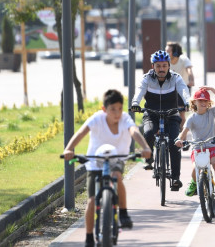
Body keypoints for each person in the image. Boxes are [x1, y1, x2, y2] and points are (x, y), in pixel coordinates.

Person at [63, 89, 152, 247]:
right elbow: (81, 133)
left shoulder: (125, 119)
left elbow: (134, 132)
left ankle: (123, 212)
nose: (117, 113)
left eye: (119, 108)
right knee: (91, 201)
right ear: (104, 109)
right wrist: (69, 149)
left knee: (117, 176)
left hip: (117, 158)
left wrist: (145, 147)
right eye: (112, 109)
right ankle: (89, 236)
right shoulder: (97, 119)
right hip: (95, 161)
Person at [130, 50, 190, 191]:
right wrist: (135, 103)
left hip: (172, 114)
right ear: (153, 66)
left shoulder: (176, 78)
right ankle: (149, 158)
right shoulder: (147, 78)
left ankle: (175, 178)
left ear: (169, 65)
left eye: (164, 65)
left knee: (175, 144)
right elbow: (139, 91)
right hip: (151, 113)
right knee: (149, 133)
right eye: (158, 66)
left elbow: (183, 91)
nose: (161, 69)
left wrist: (188, 102)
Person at [175, 87, 215, 200]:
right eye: (200, 100)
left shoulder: (211, 113)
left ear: (208, 102)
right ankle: (193, 183)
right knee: (195, 167)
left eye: (205, 100)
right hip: (198, 147)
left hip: (211, 146)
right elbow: (184, 132)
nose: (203, 102)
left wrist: (212, 89)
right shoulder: (191, 118)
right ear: (194, 102)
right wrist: (179, 139)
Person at [166, 41, 195, 131]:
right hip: (170, 88)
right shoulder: (166, 61)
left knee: (181, 113)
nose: (166, 53)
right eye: (166, 51)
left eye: (168, 51)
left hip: (183, 88)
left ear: (175, 52)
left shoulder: (183, 59)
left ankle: (182, 138)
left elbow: (189, 70)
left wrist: (191, 80)